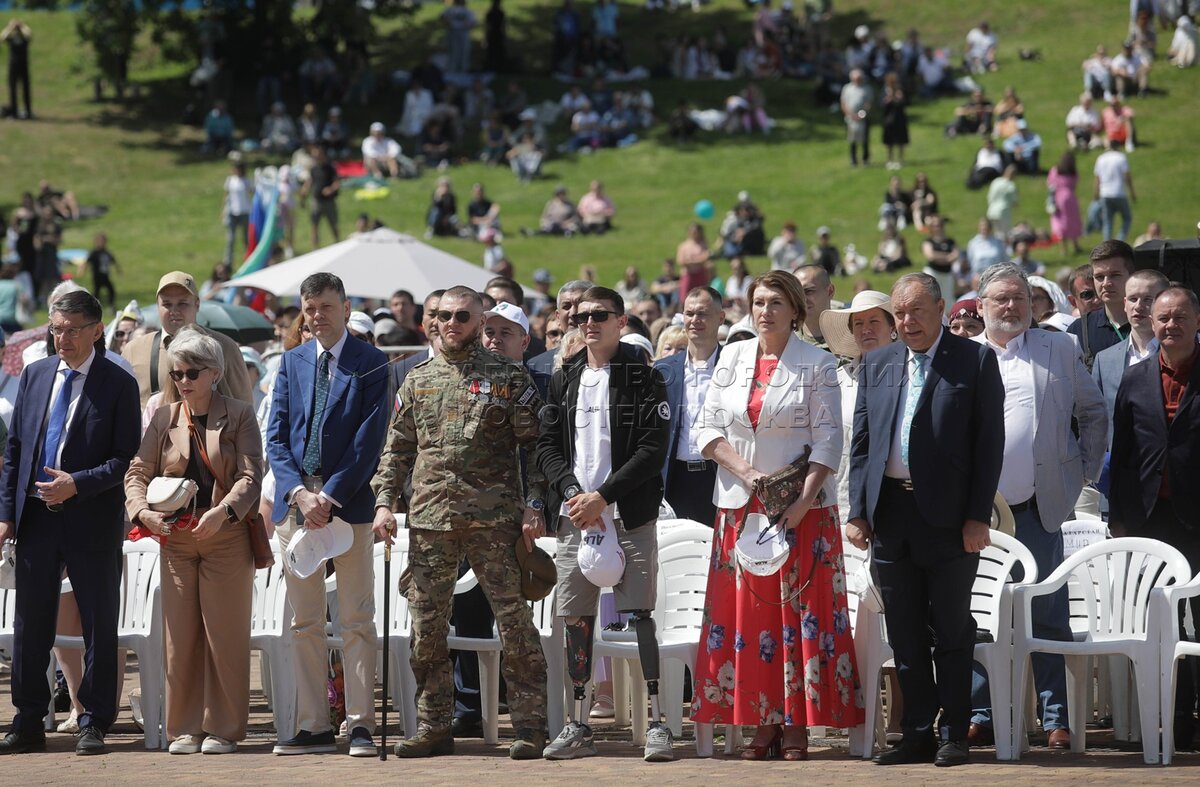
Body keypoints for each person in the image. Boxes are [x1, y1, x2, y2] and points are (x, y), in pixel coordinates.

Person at [692, 269, 863, 760]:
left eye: (775, 303)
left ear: (795, 310)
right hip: (741, 505)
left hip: (802, 510)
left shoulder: (817, 362)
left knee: (798, 616)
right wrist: (749, 476)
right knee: (750, 619)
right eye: (758, 302)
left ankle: (796, 726)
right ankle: (761, 722)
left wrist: (802, 500)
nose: (764, 311)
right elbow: (706, 429)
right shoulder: (731, 356)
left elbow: (829, 439)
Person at [371, 287, 547, 758]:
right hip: (431, 519)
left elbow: (538, 448)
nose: (451, 323)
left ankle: (530, 727)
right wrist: (384, 502)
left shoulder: (508, 376)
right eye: (444, 315)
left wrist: (535, 503)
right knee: (426, 628)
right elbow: (397, 449)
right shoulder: (418, 379)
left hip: (495, 521)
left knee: (514, 624)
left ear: (479, 321)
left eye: (462, 316)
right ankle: (434, 725)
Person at [846, 272, 1004, 768]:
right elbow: (863, 444)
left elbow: (989, 445)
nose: (907, 321)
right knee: (905, 632)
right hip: (891, 515)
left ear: (940, 309)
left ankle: (954, 732)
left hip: (950, 520)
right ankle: (916, 733)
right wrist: (858, 512)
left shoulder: (975, 360)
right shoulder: (877, 363)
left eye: (916, 310)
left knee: (952, 628)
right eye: (899, 313)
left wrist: (977, 517)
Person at [967, 263, 1106, 753]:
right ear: (980, 306)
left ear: (1032, 303)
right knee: (979, 616)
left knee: (1047, 614)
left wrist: (1082, 474)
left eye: (1020, 298)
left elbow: (1093, 412)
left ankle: (1055, 718)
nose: (1011, 306)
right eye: (1001, 299)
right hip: (977, 516)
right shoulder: (963, 355)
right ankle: (981, 715)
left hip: (1040, 508)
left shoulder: (1059, 348)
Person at [536, 286, 675, 762]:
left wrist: (604, 496)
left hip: (628, 512)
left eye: (599, 315)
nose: (589, 323)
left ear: (621, 321)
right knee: (575, 617)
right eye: (581, 317)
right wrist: (574, 493)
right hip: (576, 514)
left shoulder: (644, 375)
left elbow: (653, 449)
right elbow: (547, 445)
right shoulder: (565, 376)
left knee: (640, 614)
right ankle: (578, 723)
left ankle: (657, 722)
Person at [0, 290, 141, 755]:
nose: (63, 338)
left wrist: (76, 484)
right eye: (56, 329)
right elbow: (15, 452)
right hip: (36, 518)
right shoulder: (36, 374)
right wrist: (6, 515)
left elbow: (124, 458)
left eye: (73, 330)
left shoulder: (117, 382)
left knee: (98, 621)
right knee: (31, 623)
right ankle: (28, 720)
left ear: (97, 331)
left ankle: (94, 720)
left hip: (91, 517)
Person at [266, 273, 390, 757]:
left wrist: (329, 496)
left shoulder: (371, 363)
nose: (318, 316)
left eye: (327, 307)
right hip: (296, 505)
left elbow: (368, 442)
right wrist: (299, 493)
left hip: (348, 505)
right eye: (310, 308)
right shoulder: (292, 361)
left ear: (346, 307)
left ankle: (359, 725)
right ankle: (314, 724)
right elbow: (276, 435)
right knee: (305, 622)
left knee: (356, 618)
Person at [124, 327, 261, 755]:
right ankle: (185, 728)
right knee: (179, 638)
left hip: (226, 536)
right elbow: (137, 471)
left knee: (225, 636)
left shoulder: (240, 413)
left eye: (192, 373)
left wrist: (223, 512)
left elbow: (251, 476)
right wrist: (142, 511)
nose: (183, 380)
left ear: (214, 373)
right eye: (176, 373)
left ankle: (224, 729)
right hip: (176, 539)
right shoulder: (164, 417)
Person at [1109, 286, 1200, 751]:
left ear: (1197, 320)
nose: (1170, 325)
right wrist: (1119, 518)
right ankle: (1177, 720)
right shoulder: (1135, 377)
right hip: (1149, 520)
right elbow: (1122, 452)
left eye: (1180, 316)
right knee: (1162, 625)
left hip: (1197, 519)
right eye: (1163, 318)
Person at [123, 272, 252, 409]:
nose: (174, 310)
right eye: (167, 304)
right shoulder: (134, 350)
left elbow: (244, 406)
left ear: (197, 305)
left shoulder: (224, 347)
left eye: (182, 303)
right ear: (157, 306)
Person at [818, 290, 897, 515]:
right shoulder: (835, 381)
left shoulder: (911, 378)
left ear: (893, 328)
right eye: (859, 323)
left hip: (896, 504)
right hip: (843, 504)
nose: (866, 329)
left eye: (874, 321)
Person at [655, 287, 724, 526]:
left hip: (720, 477)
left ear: (721, 318)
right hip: (674, 479)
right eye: (689, 313)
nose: (695, 320)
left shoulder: (736, 365)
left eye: (702, 314)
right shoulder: (663, 370)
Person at [1091, 268, 1169, 447]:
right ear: (1125, 303)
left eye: (1148, 299)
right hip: (1119, 459)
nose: (1138, 306)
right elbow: (1095, 417)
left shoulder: (1182, 353)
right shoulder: (1104, 360)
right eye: (1133, 299)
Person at [1068, 241, 1134, 369]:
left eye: (1115, 275)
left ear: (1132, 276)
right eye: (1099, 277)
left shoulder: (1151, 323)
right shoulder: (1078, 330)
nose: (1106, 283)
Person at [1093, 139, 1135, 242]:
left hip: (1105, 193)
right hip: (1118, 192)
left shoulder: (1101, 158)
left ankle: (1107, 244)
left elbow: (1097, 178)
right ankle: (1119, 240)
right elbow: (1127, 177)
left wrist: (1096, 193)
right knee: (1127, 218)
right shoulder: (1121, 157)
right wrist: (1132, 192)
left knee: (1108, 221)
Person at [1047, 153, 1084, 256]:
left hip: (1058, 198)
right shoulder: (1073, 172)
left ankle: (1063, 249)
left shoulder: (1055, 171)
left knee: (1061, 223)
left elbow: (1050, 185)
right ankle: (1075, 245)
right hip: (1071, 198)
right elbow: (1075, 184)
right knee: (1072, 222)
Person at [920, 216, 960, 311]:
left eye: (939, 225)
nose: (938, 228)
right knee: (931, 297)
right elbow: (931, 255)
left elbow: (956, 255)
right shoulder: (928, 241)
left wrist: (939, 256)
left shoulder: (950, 241)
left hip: (947, 274)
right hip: (933, 273)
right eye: (935, 226)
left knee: (948, 301)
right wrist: (947, 257)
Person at [795, 264, 835, 350]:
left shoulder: (854, 338)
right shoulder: (785, 342)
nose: (802, 299)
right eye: (796, 293)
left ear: (830, 291)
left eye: (808, 291)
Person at [840, 68, 873, 167]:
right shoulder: (847, 88)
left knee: (865, 139)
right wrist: (851, 115)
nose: (857, 80)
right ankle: (853, 160)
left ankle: (865, 159)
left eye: (859, 78)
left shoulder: (866, 88)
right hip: (850, 118)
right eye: (855, 78)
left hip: (863, 118)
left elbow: (868, 103)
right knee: (852, 139)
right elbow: (844, 103)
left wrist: (861, 115)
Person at [222, 162, 251, 267]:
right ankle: (228, 263)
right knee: (231, 239)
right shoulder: (230, 180)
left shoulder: (247, 181)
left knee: (246, 238)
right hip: (232, 212)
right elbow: (226, 196)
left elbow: (252, 193)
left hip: (245, 212)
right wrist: (223, 211)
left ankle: (248, 259)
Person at [2, 18, 32, 119]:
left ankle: (28, 111)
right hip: (13, 66)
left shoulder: (24, 38)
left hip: (23, 65)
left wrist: (22, 25)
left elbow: (29, 34)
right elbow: (3, 37)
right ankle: (14, 112)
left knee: (25, 88)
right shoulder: (12, 38)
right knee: (12, 89)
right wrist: (10, 27)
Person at [83, 233, 120, 309]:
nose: (101, 243)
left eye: (103, 241)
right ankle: (93, 307)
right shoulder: (94, 253)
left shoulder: (107, 252)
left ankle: (111, 305)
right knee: (96, 292)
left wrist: (118, 269)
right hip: (97, 276)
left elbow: (113, 261)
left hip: (105, 276)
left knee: (111, 290)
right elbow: (87, 262)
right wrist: (82, 270)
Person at [881, 72, 909, 170]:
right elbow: (882, 104)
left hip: (899, 119)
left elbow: (904, 103)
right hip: (889, 119)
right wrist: (889, 98)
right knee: (889, 141)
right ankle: (890, 160)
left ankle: (900, 159)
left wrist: (899, 97)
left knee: (901, 140)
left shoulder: (899, 91)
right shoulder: (885, 91)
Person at [676, 223, 712, 300]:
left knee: (701, 295)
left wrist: (691, 260)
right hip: (688, 274)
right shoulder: (684, 246)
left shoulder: (703, 244)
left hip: (700, 273)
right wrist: (697, 260)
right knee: (685, 296)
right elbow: (681, 261)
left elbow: (705, 258)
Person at [442, 0, 477, 74]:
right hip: (453, 32)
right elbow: (443, 18)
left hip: (463, 32)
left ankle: (463, 70)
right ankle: (452, 69)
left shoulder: (468, 11)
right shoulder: (451, 10)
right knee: (453, 51)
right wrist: (449, 24)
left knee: (464, 51)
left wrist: (467, 26)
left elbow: (473, 22)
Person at [986, 165, 1019, 238]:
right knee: (1003, 233)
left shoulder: (996, 181)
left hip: (992, 210)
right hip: (1004, 211)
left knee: (992, 232)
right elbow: (1015, 202)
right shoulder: (1011, 185)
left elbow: (990, 196)